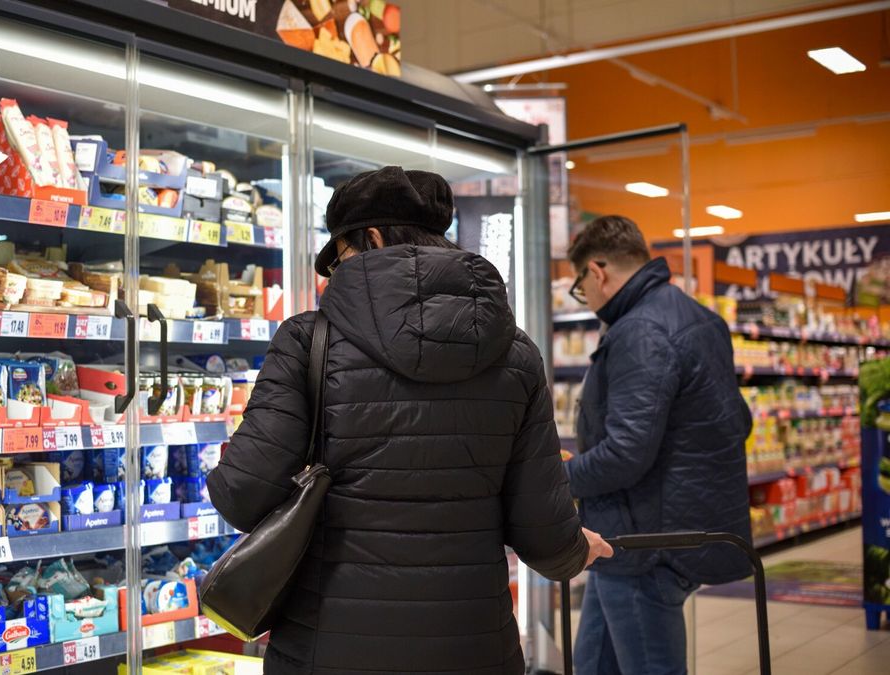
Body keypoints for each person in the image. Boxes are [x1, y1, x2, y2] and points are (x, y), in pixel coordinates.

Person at [207, 166, 612, 675]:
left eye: (339, 254)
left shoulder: (309, 341)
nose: (333, 272)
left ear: (370, 238)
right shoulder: (516, 353)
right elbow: (544, 536)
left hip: (329, 648)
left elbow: (242, 493)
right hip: (474, 648)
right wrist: (578, 550)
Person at [564, 215, 754, 675]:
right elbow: (739, 421)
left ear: (597, 271)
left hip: (644, 543)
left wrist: (556, 476)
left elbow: (626, 454)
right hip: (650, 533)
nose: (585, 299)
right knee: (592, 664)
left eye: (580, 287)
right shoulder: (697, 318)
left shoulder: (640, 331)